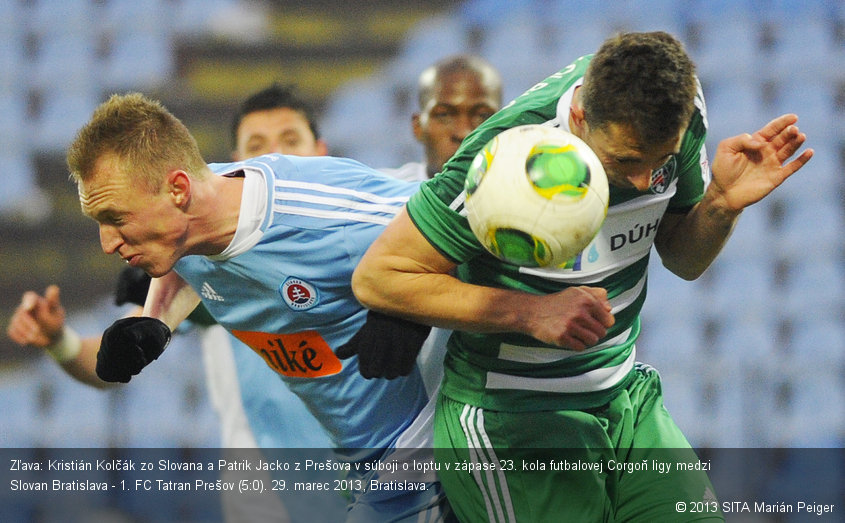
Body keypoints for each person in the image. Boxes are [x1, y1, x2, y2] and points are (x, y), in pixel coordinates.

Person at [351, 31, 813, 522]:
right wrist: (530, 311)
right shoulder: (505, 156)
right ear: (578, 119)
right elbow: (379, 277)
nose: (643, 180)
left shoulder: (682, 107)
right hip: (512, 417)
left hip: (624, 399)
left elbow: (682, 258)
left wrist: (719, 204)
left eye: (661, 160)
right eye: (627, 161)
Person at [67, 92, 453, 522]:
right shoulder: (195, 212)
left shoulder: (319, 212)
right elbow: (190, 248)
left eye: (116, 218)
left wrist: (409, 307)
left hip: (427, 452)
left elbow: (465, 210)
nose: (106, 244)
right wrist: (157, 321)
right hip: (363, 464)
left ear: (178, 190)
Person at [6, 83, 340, 522]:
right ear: (239, 165)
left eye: (290, 141)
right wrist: (59, 340)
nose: (275, 155)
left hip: (379, 482)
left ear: (322, 151)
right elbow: (115, 360)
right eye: (257, 146)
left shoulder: (362, 239)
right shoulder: (204, 263)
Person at [382, 54, 502, 182]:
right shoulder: (380, 197)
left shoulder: (522, 197)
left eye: (482, 116)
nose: (464, 133)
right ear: (418, 127)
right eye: (444, 115)